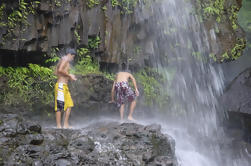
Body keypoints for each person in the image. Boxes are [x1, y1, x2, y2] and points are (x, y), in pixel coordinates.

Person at [54, 48, 77, 129]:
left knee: (69, 105)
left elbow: (58, 72)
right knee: (60, 106)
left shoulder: (64, 60)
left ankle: (65, 124)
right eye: (73, 57)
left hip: (64, 86)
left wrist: (70, 77)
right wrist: (69, 75)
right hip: (60, 86)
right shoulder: (65, 59)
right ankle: (58, 126)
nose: (72, 59)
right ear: (69, 54)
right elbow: (59, 70)